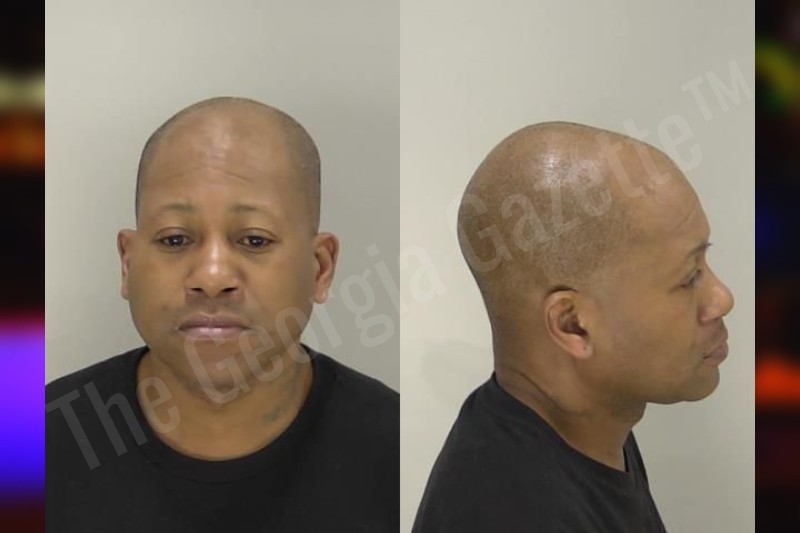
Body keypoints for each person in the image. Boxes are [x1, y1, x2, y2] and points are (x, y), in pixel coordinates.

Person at [46, 97, 399, 532]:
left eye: (254, 240)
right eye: (175, 240)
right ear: (127, 263)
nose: (212, 278)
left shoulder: (395, 451)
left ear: (320, 269)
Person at [412, 122, 734, 532]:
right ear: (573, 325)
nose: (722, 298)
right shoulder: (514, 514)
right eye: (689, 277)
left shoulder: (588, 427)